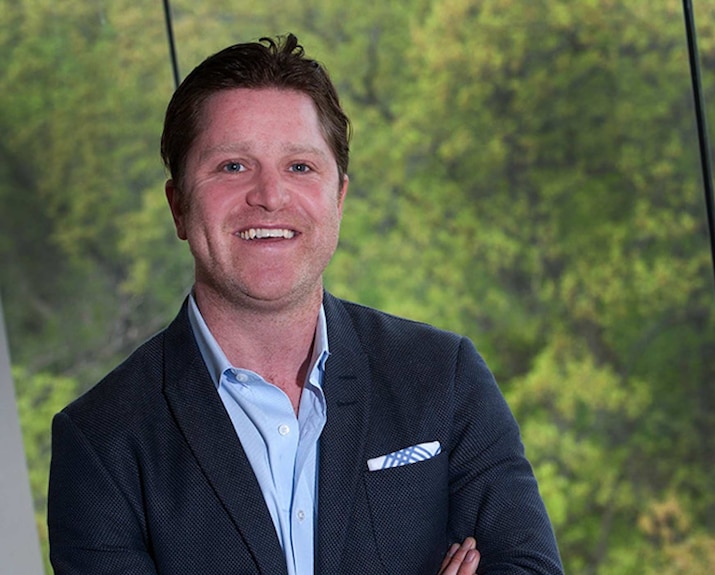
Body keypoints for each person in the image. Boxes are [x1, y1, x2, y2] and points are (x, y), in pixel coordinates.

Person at [47, 34, 564, 575]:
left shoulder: (443, 377)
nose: (270, 196)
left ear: (338, 197)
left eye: (299, 167)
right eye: (231, 166)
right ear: (178, 205)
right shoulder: (102, 444)